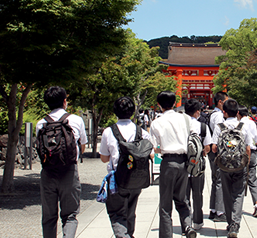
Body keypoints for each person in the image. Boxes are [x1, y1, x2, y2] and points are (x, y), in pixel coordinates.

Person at [36, 86, 88, 238]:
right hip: (69, 171)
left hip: (48, 173)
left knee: (49, 217)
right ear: (65, 101)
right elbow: (82, 146)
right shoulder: (76, 120)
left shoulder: (41, 124)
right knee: (70, 215)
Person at [99, 97, 152, 238]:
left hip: (117, 178)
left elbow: (104, 158)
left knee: (117, 212)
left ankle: (124, 235)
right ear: (132, 111)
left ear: (115, 111)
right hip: (137, 178)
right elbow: (151, 154)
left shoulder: (108, 132)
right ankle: (130, 234)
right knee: (130, 210)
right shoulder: (142, 132)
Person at [149, 91, 196, 238]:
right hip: (184, 162)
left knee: (165, 202)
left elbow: (153, 148)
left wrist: (162, 147)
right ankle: (187, 226)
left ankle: (166, 235)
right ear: (175, 103)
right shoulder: (186, 119)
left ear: (159, 105)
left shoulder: (156, 122)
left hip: (168, 162)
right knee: (182, 198)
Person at [211, 99, 252, 238]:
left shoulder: (219, 126)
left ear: (224, 112)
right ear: (238, 112)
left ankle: (230, 222)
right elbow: (248, 148)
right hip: (240, 165)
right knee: (238, 193)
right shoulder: (243, 126)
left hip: (224, 166)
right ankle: (235, 224)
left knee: (227, 194)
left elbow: (214, 147)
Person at [184, 99, 214, 230]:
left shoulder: (181, 126)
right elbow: (207, 147)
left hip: (183, 165)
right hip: (198, 165)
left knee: (184, 196)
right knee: (198, 193)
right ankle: (197, 221)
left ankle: (186, 222)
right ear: (197, 112)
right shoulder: (202, 126)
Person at [238, 106, 257, 218]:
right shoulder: (253, 123)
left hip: (241, 153)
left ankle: (237, 206)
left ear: (238, 113)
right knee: (252, 178)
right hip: (252, 152)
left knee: (239, 179)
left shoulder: (238, 125)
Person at [208, 91, 229, 222]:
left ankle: (213, 209)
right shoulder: (219, 117)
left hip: (212, 151)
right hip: (218, 151)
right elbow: (219, 134)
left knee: (216, 180)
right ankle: (220, 212)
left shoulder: (213, 114)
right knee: (220, 180)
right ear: (220, 102)